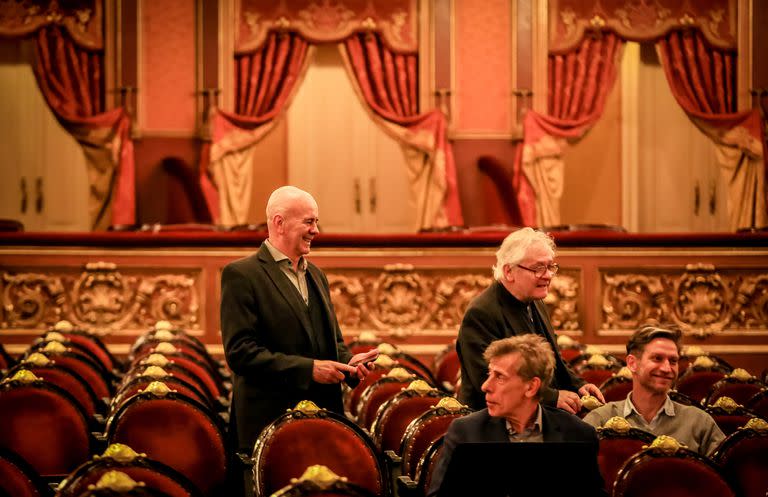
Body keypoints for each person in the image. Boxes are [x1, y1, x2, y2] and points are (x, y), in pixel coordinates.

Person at [220, 186, 377, 494]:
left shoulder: (316, 275)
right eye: (309, 222)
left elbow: (333, 342)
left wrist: (349, 365)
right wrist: (309, 369)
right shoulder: (241, 275)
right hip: (269, 426)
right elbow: (240, 353)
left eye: (315, 222)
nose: (315, 230)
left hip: (322, 419)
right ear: (279, 223)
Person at [428, 335, 606, 497]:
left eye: (500, 377)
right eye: (490, 374)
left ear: (531, 387)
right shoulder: (465, 432)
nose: (485, 386)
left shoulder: (577, 434)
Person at [457, 227, 604, 413]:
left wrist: (578, 385)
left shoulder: (536, 300)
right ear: (509, 271)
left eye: (550, 266)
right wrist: (552, 397)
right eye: (538, 268)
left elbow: (552, 359)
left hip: (537, 415)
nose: (548, 275)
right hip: (494, 422)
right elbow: (491, 382)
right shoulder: (481, 313)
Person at [583, 325, 725, 455]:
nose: (666, 368)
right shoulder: (600, 419)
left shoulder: (699, 421)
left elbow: (723, 477)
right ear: (632, 364)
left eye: (673, 361)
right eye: (657, 358)